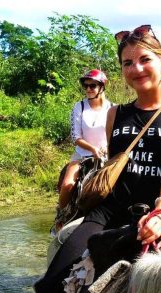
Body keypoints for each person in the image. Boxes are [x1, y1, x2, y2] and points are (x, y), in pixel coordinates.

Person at [34, 25, 161, 293]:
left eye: (145, 59)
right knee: (51, 285)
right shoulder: (115, 113)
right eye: (127, 63)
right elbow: (115, 165)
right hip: (108, 211)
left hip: (159, 210)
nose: (136, 69)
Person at [55, 70, 111, 227]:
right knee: (68, 185)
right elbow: (76, 137)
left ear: (102, 87)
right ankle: (61, 214)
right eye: (85, 86)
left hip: (106, 155)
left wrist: (105, 147)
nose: (88, 89)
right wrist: (92, 148)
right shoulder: (79, 107)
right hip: (82, 154)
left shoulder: (113, 108)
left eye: (92, 86)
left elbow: (114, 134)